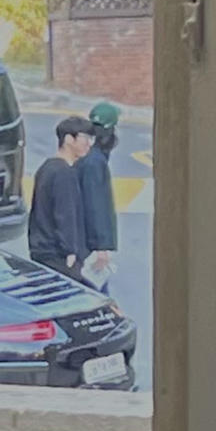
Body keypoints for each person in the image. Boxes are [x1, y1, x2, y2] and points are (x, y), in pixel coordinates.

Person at [26, 113, 89, 273]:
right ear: (69, 139)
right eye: (85, 138)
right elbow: (65, 214)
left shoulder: (47, 167)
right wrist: (70, 251)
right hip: (58, 256)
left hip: (41, 250)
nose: (89, 144)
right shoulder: (64, 173)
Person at [75, 98, 122, 288]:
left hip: (82, 243)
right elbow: (96, 205)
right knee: (97, 296)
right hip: (89, 249)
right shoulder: (95, 163)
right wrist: (101, 247)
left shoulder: (88, 156)